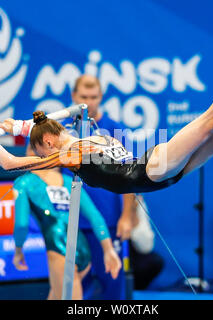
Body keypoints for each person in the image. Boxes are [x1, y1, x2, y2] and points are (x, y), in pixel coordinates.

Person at [0, 47, 213, 196]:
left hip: (153, 170)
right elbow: (46, 127)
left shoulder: (69, 154)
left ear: (47, 144)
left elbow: (11, 164)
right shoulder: (84, 136)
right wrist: (20, 127)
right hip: (160, 174)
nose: (40, 157)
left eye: (38, 147)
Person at [62, 75, 137, 299]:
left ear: (101, 97)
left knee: (112, 281)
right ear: (74, 96)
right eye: (84, 97)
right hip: (70, 220)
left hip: (109, 219)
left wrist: (126, 216)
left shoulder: (115, 129)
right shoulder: (62, 130)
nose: (89, 102)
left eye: (94, 97)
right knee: (74, 285)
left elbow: (130, 176)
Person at [12, 145, 122, 300]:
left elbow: (22, 224)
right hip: (82, 248)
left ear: (30, 154)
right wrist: (108, 249)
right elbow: (95, 216)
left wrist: (18, 250)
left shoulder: (24, 183)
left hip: (59, 249)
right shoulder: (70, 182)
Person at [129, 195, 164, 290]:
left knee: (154, 261)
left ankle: (134, 291)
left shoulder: (136, 200)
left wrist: (133, 213)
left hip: (130, 251)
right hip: (107, 248)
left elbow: (145, 248)